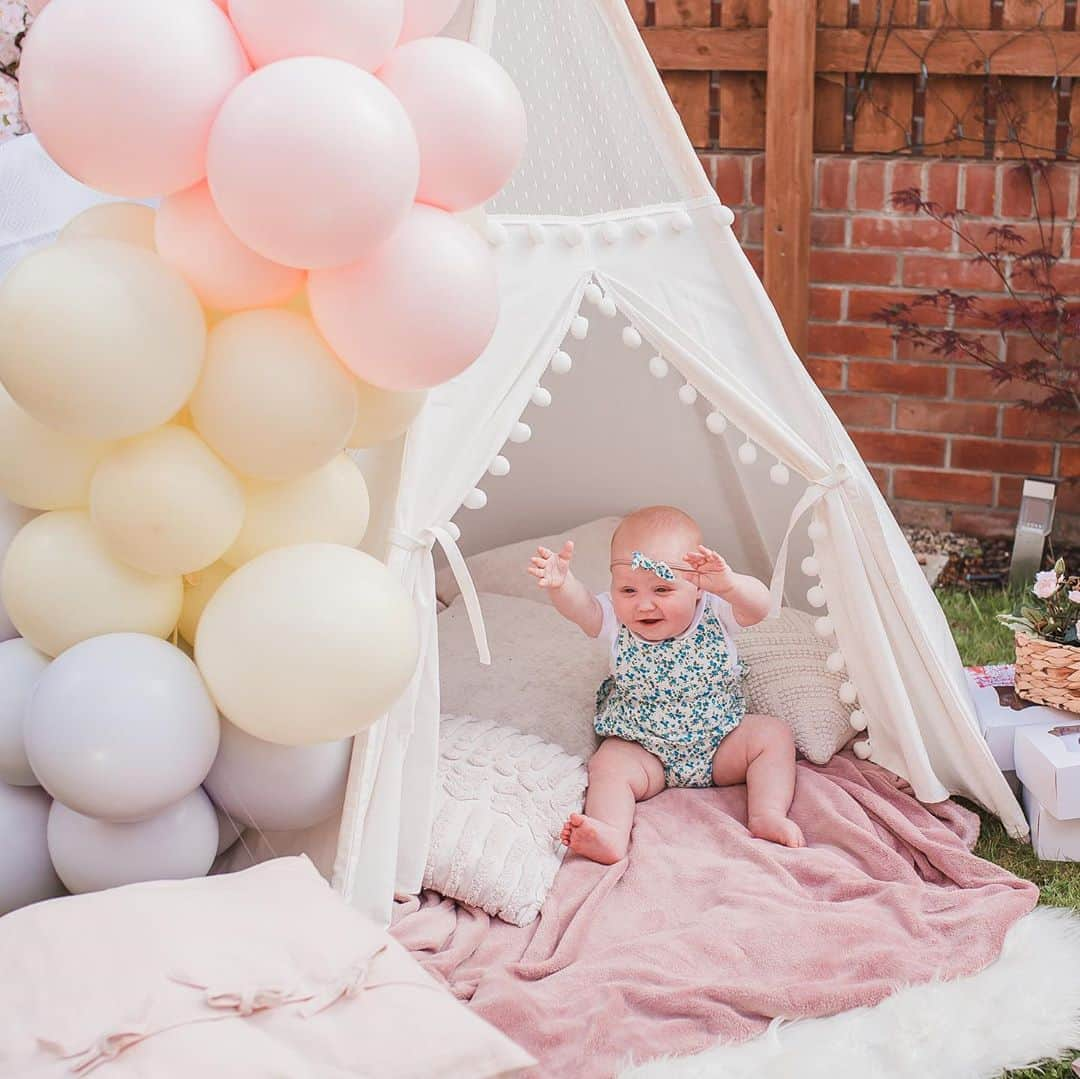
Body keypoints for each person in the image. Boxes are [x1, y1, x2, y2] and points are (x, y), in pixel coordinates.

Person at [526, 505, 805, 864]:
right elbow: (584, 609)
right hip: (645, 751)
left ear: (697, 587)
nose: (644, 604)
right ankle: (610, 832)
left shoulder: (716, 609)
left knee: (773, 735)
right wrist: (564, 586)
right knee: (608, 764)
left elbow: (761, 607)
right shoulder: (614, 620)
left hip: (720, 743)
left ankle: (768, 814)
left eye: (662, 588)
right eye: (627, 590)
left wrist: (732, 586)